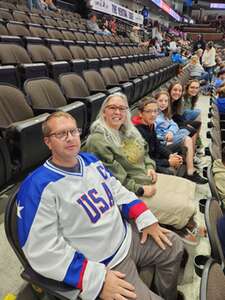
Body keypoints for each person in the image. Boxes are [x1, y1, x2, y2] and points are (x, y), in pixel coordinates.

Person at [17, 111, 185, 300]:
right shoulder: (37, 187)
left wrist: (145, 218)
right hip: (105, 264)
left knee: (174, 246)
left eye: (73, 131)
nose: (70, 138)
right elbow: (41, 249)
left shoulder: (90, 160)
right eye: (61, 134)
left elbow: (116, 190)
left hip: (128, 237)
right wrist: (94, 279)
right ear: (48, 142)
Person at [85, 93, 201, 242]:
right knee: (183, 206)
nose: (117, 112)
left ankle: (181, 224)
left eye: (122, 108)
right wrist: (140, 189)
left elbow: (145, 152)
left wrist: (150, 166)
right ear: (103, 112)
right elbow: (113, 179)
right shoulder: (98, 140)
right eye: (112, 108)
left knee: (187, 186)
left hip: (146, 177)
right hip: (132, 192)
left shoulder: (127, 130)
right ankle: (177, 229)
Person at [132, 98, 184, 176]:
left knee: (180, 147)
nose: (153, 114)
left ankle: (183, 173)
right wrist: (168, 162)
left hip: (155, 155)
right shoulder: (137, 132)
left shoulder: (150, 124)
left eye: (155, 111)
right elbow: (144, 160)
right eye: (148, 111)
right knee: (169, 172)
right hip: (146, 163)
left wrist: (170, 155)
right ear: (140, 113)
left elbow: (158, 145)